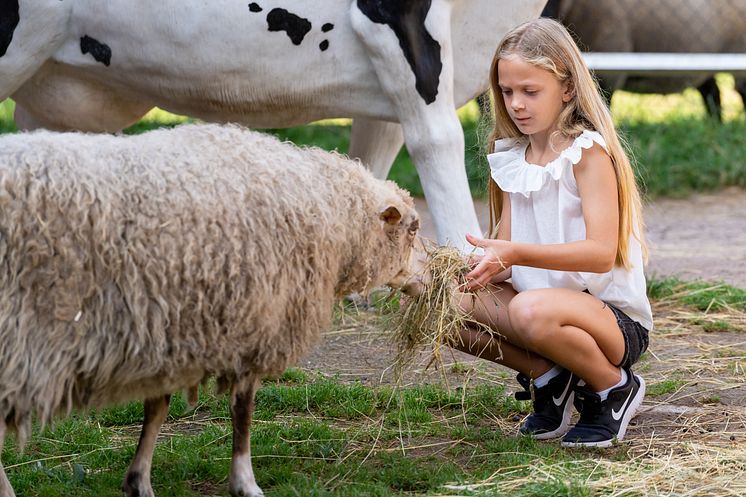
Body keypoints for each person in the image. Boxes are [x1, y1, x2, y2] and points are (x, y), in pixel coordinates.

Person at [453, 18, 652, 448]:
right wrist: (484, 266)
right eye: (507, 92)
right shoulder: (512, 157)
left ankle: (612, 387)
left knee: (529, 310)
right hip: (540, 310)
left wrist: (516, 252)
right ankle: (550, 377)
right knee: (447, 304)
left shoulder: (587, 152)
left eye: (530, 91)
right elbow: (509, 256)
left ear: (566, 88)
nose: (516, 104)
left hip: (610, 322)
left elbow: (600, 254)